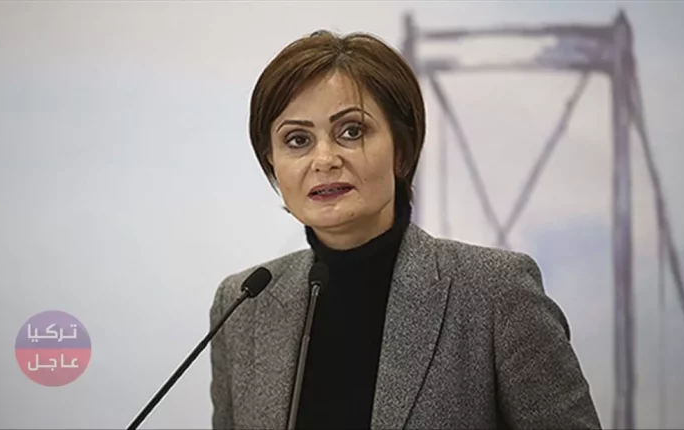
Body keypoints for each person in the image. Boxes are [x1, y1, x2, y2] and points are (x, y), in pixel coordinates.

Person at [209, 29, 601, 430]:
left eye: (351, 131)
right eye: (297, 140)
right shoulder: (242, 305)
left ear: (401, 150)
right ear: (272, 164)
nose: (324, 159)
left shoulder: (496, 293)